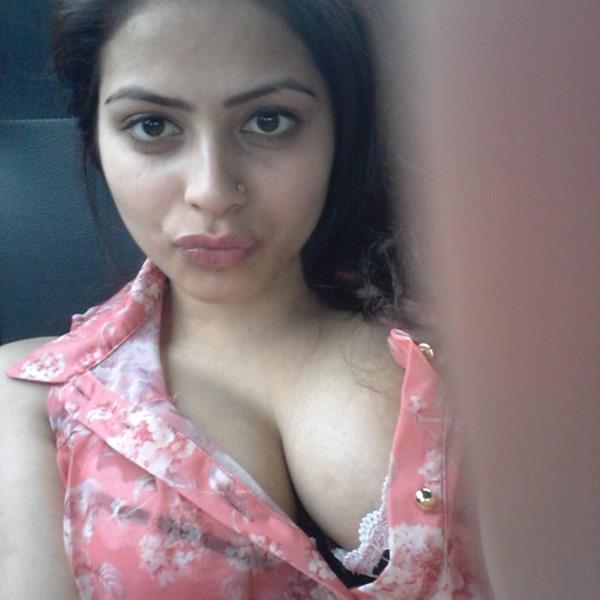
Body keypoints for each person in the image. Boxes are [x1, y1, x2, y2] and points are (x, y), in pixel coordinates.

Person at [0, 1, 482, 598]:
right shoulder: (32, 398)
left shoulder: (482, 312)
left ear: (340, 129)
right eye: (153, 126)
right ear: (96, 140)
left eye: (269, 121)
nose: (212, 191)